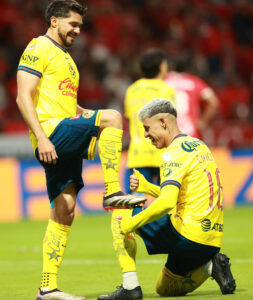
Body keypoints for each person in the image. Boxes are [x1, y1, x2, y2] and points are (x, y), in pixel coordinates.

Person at [16, 1, 145, 299]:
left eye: (80, 26)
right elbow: (24, 96)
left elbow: (63, 102)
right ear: (53, 21)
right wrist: (42, 137)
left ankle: (47, 288)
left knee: (65, 210)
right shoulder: (38, 47)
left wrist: (85, 114)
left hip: (61, 129)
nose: (77, 30)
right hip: (51, 132)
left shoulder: (66, 59)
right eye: (72, 24)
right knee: (112, 116)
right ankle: (112, 190)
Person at [98, 98, 236, 299]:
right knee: (164, 288)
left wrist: (131, 224)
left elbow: (167, 202)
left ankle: (130, 287)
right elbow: (183, 197)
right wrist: (148, 187)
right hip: (211, 240)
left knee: (120, 210)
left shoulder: (173, 153)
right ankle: (210, 266)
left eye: (147, 128)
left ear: (163, 122)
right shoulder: (198, 145)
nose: (146, 135)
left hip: (189, 234)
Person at [124, 49, 176, 194]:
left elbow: (129, 119)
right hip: (162, 153)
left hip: (137, 153)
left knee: (135, 201)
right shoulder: (166, 89)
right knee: (166, 199)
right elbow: (170, 122)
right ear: (161, 67)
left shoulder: (131, 90)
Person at [164, 59, 219, 138]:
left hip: (168, 131)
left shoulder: (164, 81)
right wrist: (202, 122)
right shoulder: (194, 81)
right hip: (190, 131)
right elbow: (214, 102)